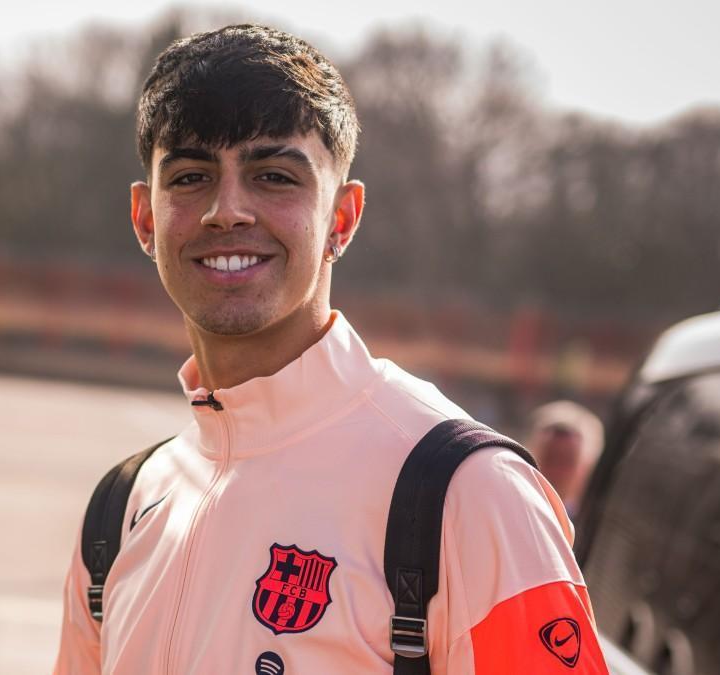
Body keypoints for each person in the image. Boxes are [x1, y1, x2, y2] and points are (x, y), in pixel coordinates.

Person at [54, 24, 607, 674]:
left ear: (341, 218)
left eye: (274, 176)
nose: (226, 210)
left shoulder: (470, 492)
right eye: (192, 176)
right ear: (145, 218)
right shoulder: (117, 511)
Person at [525, 401, 605, 518]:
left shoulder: (597, 524)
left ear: (587, 466)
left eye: (567, 461)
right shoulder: (516, 512)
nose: (556, 471)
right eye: (550, 458)